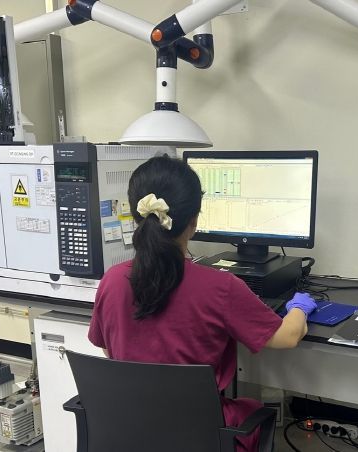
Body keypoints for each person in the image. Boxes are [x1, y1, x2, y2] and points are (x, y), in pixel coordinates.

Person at [88, 155, 317, 451]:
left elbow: (110, 352)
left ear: (136, 217)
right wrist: (299, 306)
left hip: (132, 433)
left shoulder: (112, 281)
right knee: (252, 411)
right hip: (203, 436)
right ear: (194, 222)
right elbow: (287, 337)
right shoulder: (220, 287)